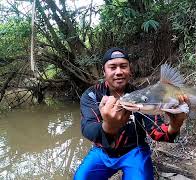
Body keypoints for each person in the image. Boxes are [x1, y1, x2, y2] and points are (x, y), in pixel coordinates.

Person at [74, 47, 188, 180]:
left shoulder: (142, 97)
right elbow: (88, 129)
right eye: (112, 67)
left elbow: (157, 132)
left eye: (123, 66)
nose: (119, 72)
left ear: (130, 70)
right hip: (102, 152)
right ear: (104, 71)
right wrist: (108, 127)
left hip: (135, 151)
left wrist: (175, 125)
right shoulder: (92, 95)